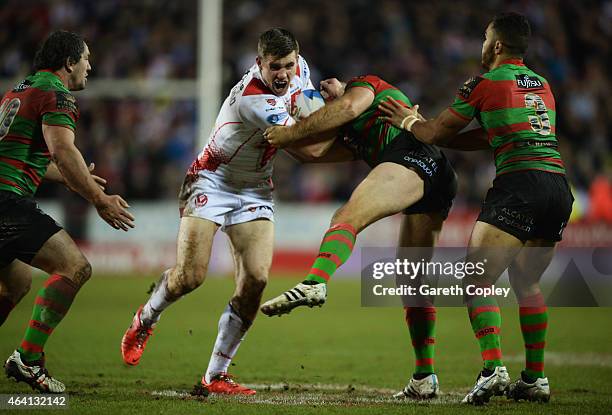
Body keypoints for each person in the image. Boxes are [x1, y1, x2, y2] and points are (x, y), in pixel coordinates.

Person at [120, 28, 331, 396]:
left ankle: (216, 375)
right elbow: (310, 147)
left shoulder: (301, 69)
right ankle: (145, 318)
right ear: (258, 64)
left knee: (256, 280)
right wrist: (351, 108)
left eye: (289, 65)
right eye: (274, 67)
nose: (284, 74)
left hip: (253, 188)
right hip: (211, 182)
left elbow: (308, 103)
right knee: (190, 276)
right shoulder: (254, 100)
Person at [378, 12, 573, 405]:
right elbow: (491, 135)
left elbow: (434, 131)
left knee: (475, 279)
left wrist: (409, 121)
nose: (482, 45)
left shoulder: (483, 83)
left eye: (485, 38)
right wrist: (443, 138)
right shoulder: (542, 85)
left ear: (497, 45)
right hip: (557, 186)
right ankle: (534, 378)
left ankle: (492, 368)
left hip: (520, 184)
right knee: (526, 282)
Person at [260, 74, 485, 399]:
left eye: (329, 85)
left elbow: (349, 106)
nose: (326, 88)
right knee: (412, 280)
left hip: (411, 153)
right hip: (435, 172)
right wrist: (280, 134)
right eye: (319, 94)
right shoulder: (352, 136)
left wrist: (293, 129)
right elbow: (313, 153)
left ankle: (314, 282)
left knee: (346, 218)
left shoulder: (363, 85)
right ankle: (424, 377)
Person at [0, 30, 135, 393]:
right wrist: (99, 199)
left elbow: (28, 158)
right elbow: (62, 150)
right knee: (74, 267)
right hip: (5, 203)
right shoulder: (57, 95)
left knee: (17, 282)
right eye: (86, 59)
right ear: (69, 62)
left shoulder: (20, 90)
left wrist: (70, 177)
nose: (89, 66)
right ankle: (28, 360)